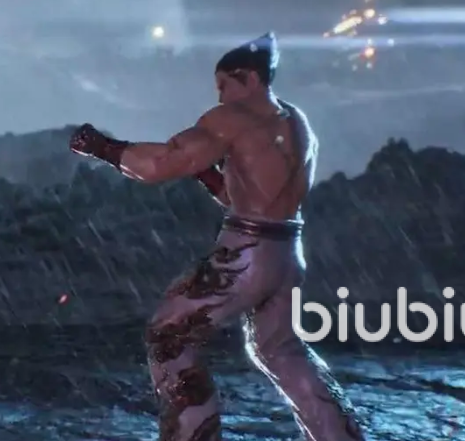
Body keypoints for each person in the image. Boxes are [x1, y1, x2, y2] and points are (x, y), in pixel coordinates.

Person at [68, 33, 365, 441]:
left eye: (224, 84)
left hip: (246, 252)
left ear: (250, 79)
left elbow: (157, 165)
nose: (221, 96)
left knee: (169, 336)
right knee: (280, 350)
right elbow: (247, 195)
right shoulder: (297, 123)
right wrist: (206, 172)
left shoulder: (233, 118)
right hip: (287, 253)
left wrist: (103, 147)